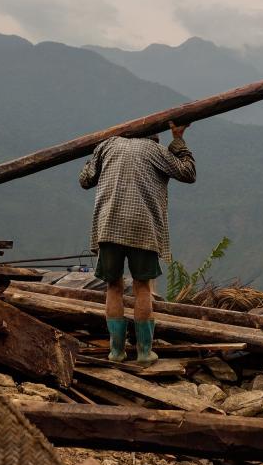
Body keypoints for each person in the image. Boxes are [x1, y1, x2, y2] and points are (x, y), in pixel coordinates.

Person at [78, 121, 196, 365]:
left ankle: (116, 352)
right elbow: (188, 173)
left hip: (108, 226)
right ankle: (144, 352)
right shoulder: (156, 151)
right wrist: (178, 140)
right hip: (143, 228)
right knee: (143, 287)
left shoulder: (107, 145)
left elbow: (85, 180)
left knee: (113, 287)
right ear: (153, 137)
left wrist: (93, 154)